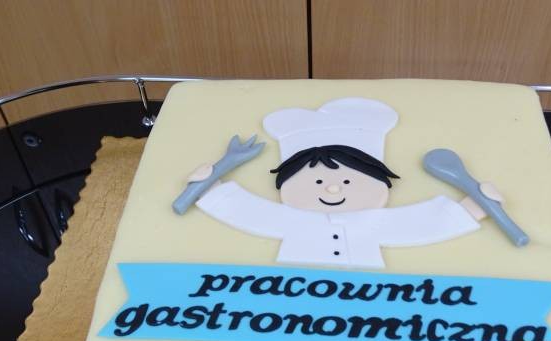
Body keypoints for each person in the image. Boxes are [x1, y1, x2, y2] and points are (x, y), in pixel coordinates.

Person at [190, 98, 500, 269]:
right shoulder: (291, 218)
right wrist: (209, 190)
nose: (333, 188)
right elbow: (247, 211)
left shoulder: (375, 220)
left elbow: (420, 223)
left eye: (348, 180)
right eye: (318, 180)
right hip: (291, 291)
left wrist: (470, 209)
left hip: (367, 298)